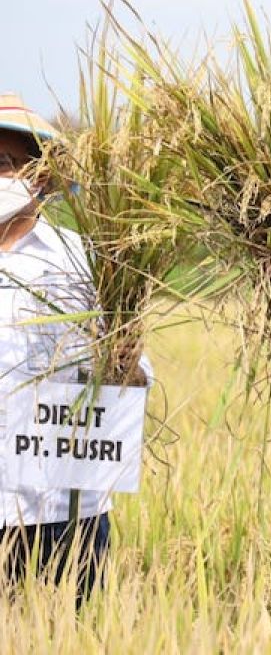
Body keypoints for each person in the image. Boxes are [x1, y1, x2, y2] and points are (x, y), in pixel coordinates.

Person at [0, 92, 145, 603]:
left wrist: (124, 362)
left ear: (38, 176)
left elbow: (131, 374)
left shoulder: (83, 261)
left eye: (2, 163)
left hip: (61, 504)